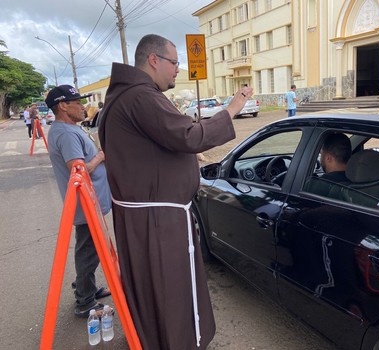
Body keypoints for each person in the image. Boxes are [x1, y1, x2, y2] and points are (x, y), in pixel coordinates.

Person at [98, 34, 252, 350]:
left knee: (157, 288)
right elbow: (187, 135)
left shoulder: (129, 96)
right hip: (157, 221)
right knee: (169, 289)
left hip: (150, 216)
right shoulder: (141, 97)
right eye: (174, 62)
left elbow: (165, 141)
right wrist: (232, 109)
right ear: (153, 60)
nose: (178, 70)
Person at [45, 85, 112, 318]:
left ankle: (87, 288)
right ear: (63, 106)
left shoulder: (70, 128)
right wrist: (102, 155)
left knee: (88, 250)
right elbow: (79, 170)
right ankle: (85, 301)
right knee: (88, 253)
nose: (83, 106)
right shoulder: (65, 133)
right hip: (85, 205)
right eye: (77, 102)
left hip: (89, 203)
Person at [305, 132, 351, 196]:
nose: (320, 158)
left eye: (321, 154)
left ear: (328, 158)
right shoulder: (360, 179)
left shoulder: (319, 185)